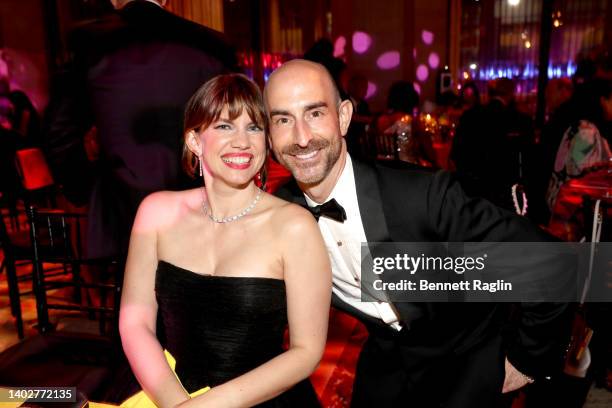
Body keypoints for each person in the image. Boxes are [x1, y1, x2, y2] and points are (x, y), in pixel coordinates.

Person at [264, 59, 570, 408]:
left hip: (469, 357)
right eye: (284, 119)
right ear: (270, 135)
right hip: (390, 363)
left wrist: (526, 362)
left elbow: (553, 264)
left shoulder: (423, 199)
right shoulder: (283, 215)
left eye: (315, 113)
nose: (301, 138)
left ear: (344, 116)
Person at [119, 74, 331, 407]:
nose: (242, 142)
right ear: (193, 140)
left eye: (254, 128)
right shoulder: (156, 213)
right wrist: (177, 403)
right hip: (174, 396)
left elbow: (307, 352)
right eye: (224, 126)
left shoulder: (294, 226)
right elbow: (135, 322)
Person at [44, 0, 238, 259]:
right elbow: (236, 131)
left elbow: (58, 132)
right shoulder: (213, 45)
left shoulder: (87, 41)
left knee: (127, 297)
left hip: (118, 218)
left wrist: (82, 190)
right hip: (200, 213)